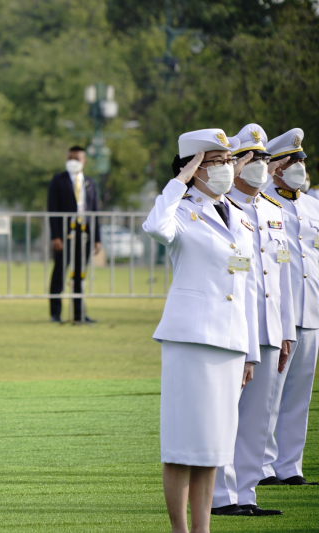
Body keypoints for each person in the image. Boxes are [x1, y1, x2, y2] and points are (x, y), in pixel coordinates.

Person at [143, 128, 260, 531]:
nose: (227, 169)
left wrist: (250, 351)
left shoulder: (241, 218)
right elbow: (155, 227)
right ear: (195, 169)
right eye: (216, 163)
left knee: (213, 446)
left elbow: (247, 290)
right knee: (182, 445)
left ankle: (202, 528)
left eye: (228, 161)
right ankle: (180, 529)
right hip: (191, 340)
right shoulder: (179, 211)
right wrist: (179, 181)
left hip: (229, 342)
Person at [211, 124, 295, 517]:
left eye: (264, 159)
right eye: (252, 158)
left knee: (259, 418)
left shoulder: (274, 212)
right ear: (236, 163)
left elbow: (285, 276)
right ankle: (221, 496)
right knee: (226, 413)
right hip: (234, 325)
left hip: (270, 328)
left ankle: (246, 494)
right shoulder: (221, 208)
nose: (259, 166)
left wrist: (288, 330)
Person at [260, 128, 319, 486]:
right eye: (291, 160)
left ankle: (289, 466)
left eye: (301, 160)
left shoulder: (313, 204)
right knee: (269, 392)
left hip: (311, 309)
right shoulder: (261, 201)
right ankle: (263, 466)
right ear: (276, 167)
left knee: (300, 393)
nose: (299, 166)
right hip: (278, 310)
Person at [47, 146, 101, 323]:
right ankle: (55, 314)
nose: (72, 162)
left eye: (76, 159)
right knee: (60, 272)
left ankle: (79, 314)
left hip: (84, 233)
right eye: (70, 158)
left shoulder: (89, 182)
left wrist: (96, 238)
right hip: (64, 233)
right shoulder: (58, 180)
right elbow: (52, 208)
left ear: (84, 161)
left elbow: (95, 211)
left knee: (80, 274)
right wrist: (55, 236)